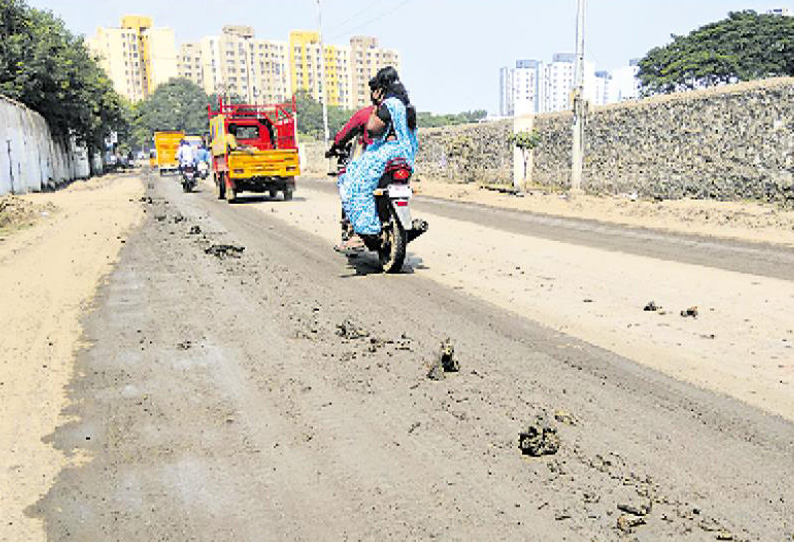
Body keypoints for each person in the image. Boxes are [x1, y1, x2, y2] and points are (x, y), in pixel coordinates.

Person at [335, 66, 418, 251]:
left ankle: (362, 232)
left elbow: (372, 129)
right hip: (406, 155)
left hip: (388, 154)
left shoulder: (389, 105)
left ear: (382, 88)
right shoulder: (406, 105)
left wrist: (375, 107)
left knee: (352, 181)